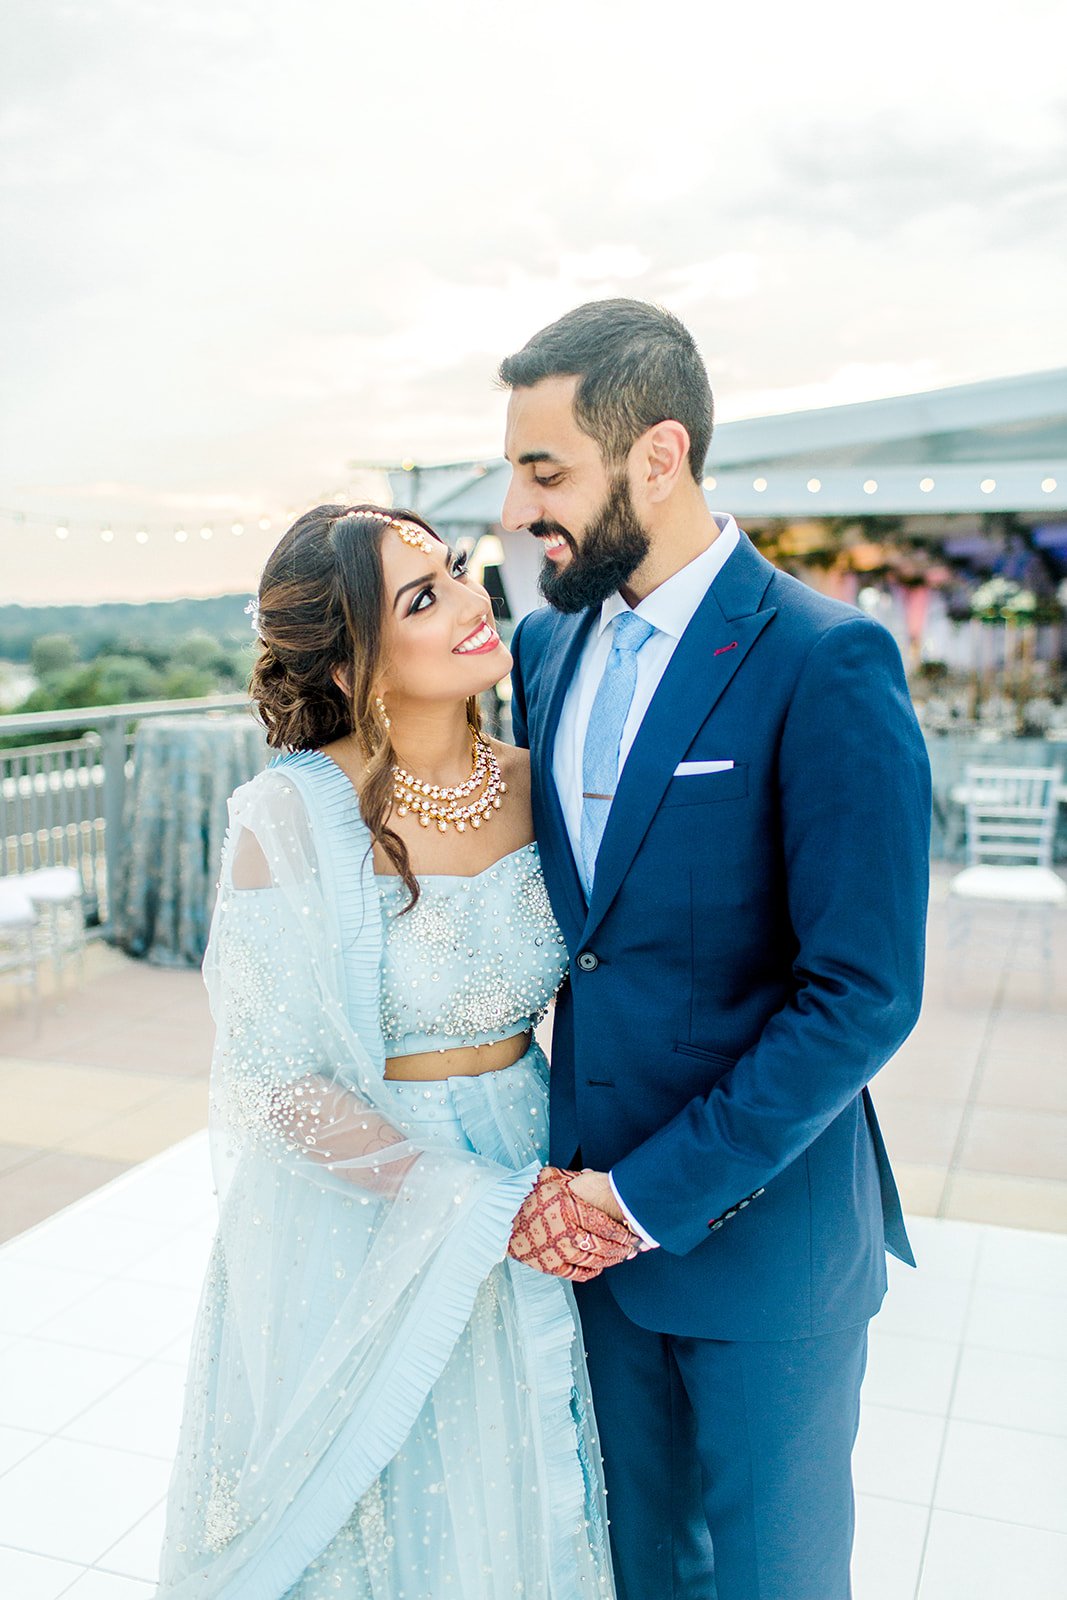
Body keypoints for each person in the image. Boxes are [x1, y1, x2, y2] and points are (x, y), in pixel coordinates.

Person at [499, 299, 932, 1600]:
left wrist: (639, 1200)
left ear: (657, 455)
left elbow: (859, 995)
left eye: (545, 472)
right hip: (584, 1255)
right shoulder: (539, 647)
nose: (522, 513)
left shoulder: (824, 659)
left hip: (757, 1251)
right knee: (634, 1575)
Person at [157, 504, 636, 1599]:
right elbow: (276, 1077)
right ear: (353, 659)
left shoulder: (542, 784)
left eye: (458, 573)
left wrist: (564, 1194)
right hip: (369, 1202)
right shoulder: (286, 816)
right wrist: (466, 1203)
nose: (473, 604)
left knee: (529, 1488)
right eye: (422, 598)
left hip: (539, 1162)